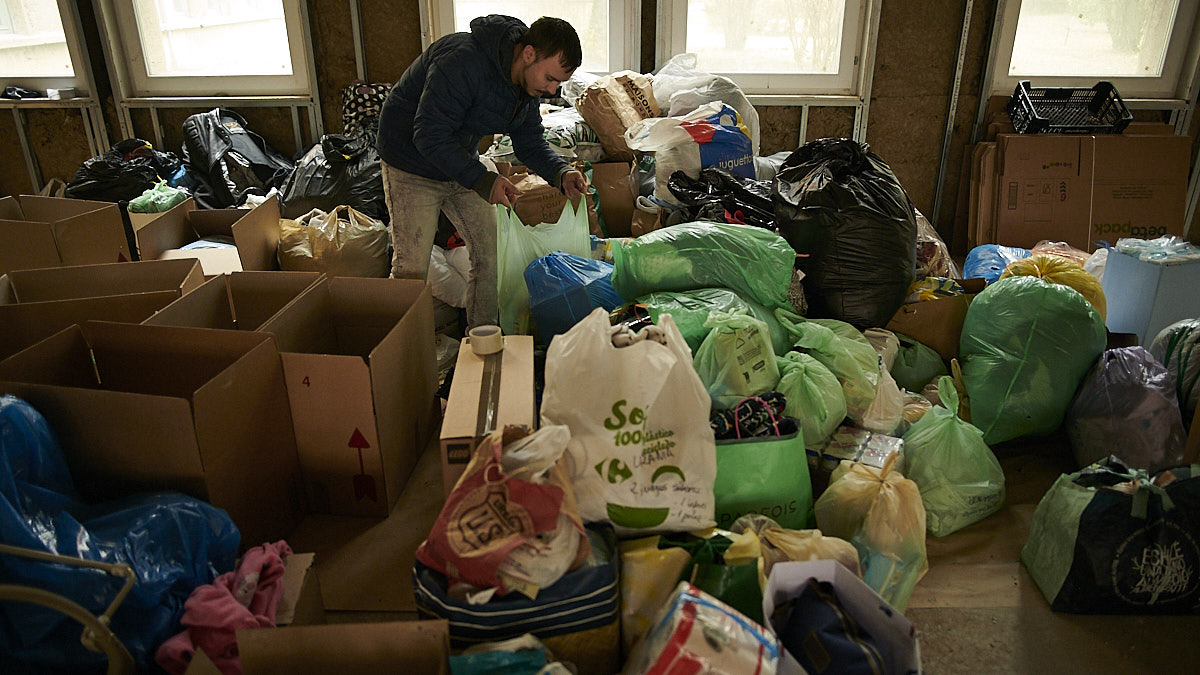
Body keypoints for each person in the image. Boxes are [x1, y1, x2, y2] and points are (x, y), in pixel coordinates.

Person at [377, 15, 588, 329]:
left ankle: (481, 344)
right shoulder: (462, 61)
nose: (551, 89)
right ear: (529, 54)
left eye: (558, 83)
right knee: (411, 269)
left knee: (491, 257)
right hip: (410, 163)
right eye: (550, 78)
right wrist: (482, 179)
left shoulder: (525, 88)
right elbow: (429, 135)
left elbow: (529, 142)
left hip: (458, 159)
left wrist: (560, 172)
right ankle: (395, 355)